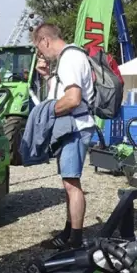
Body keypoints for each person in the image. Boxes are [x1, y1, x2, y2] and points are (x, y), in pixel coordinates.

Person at [32, 23, 96, 250]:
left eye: (40, 49)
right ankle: (69, 232)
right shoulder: (71, 57)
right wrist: (47, 75)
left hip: (75, 127)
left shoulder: (69, 58)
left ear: (45, 41)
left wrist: (46, 114)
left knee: (71, 183)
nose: (42, 54)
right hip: (74, 126)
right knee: (69, 182)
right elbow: (62, 91)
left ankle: (76, 239)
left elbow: (73, 98)